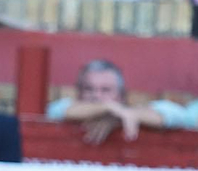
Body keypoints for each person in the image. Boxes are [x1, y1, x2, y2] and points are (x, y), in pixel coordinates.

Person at [45, 59, 174, 141]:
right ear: (79, 93)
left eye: (105, 90)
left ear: (121, 96)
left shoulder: (127, 112)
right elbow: (55, 111)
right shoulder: (65, 107)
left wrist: (118, 118)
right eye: (89, 89)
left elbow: (176, 115)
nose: (96, 95)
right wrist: (108, 107)